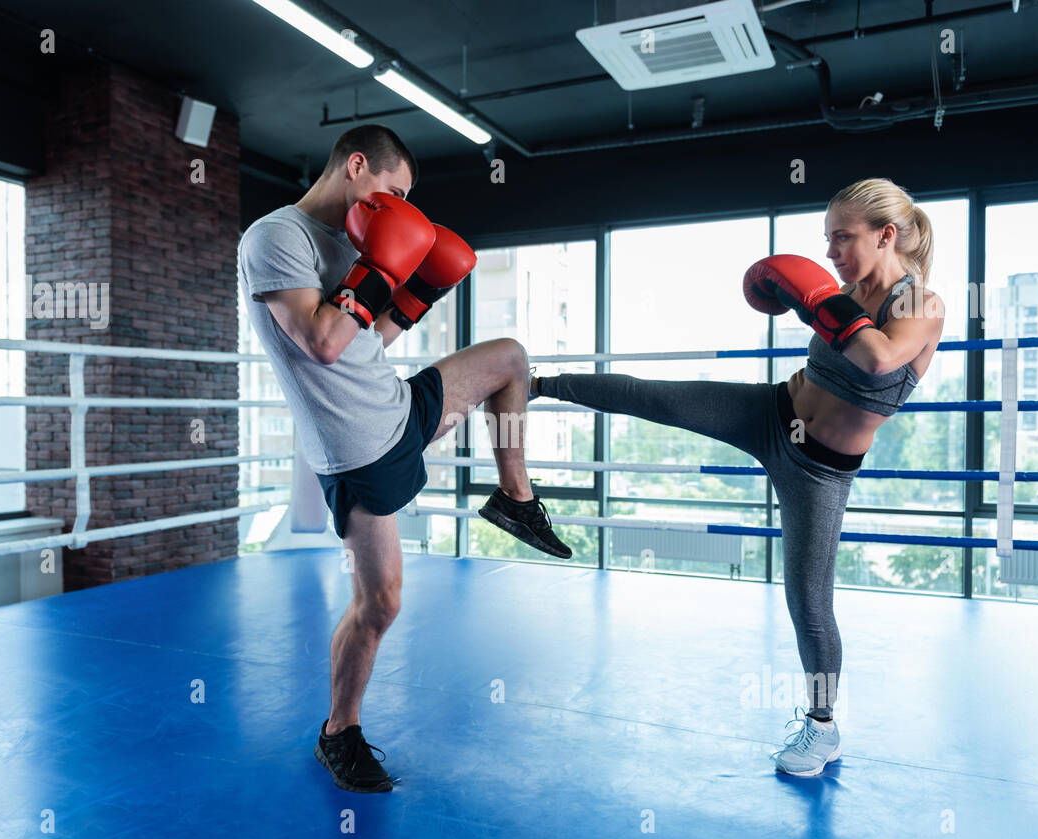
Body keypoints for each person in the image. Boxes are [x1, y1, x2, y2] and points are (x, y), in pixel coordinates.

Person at [529, 178, 943, 776]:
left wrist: (816, 299)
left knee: (808, 599)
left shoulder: (921, 306)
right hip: (771, 413)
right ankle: (537, 382)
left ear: (886, 235)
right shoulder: (843, 290)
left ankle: (822, 729)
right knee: (657, 399)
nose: (831, 253)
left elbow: (878, 357)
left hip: (820, 472)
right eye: (827, 240)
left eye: (843, 238)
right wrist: (825, 297)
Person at [238, 125, 572, 793]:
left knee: (510, 356)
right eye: (394, 191)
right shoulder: (276, 238)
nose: (398, 207)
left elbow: (369, 341)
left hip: (396, 405)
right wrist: (383, 268)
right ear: (356, 166)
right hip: (358, 445)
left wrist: (414, 294)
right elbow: (323, 343)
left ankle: (515, 498)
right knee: (380, 602)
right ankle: (339, 732)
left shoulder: (348, 240)